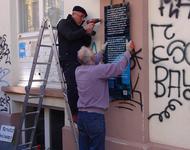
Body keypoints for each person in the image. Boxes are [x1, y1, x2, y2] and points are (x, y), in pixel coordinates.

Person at [75, 41, 135, 150]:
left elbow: (91, 61)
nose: (94, 54)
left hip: (82, 117)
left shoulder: (78, 71)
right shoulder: (98, 70)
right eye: (92, 53)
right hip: (94, 117)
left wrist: (101, 52)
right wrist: (127, 52)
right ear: (91, 58)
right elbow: (117, 68)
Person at [57, 6, 95, 122]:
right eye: (81, 16)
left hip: (79, 62)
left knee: (83, 86)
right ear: (74, 14)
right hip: (69, 61)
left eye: (84, 18)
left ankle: (82, 109)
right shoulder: (64, 23)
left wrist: (87, 32)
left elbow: (87, 43)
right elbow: (69, 35)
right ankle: (74, 113)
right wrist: (84, 30)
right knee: (72, 87)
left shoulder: (79, 28)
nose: (82, 19)